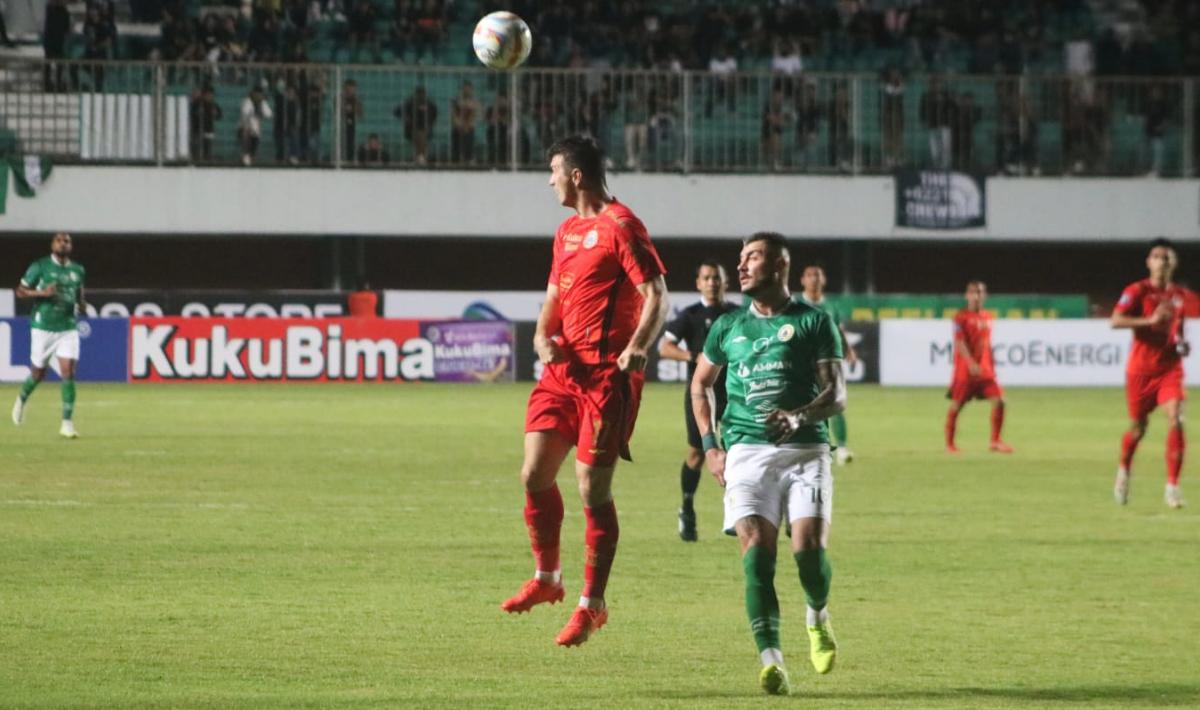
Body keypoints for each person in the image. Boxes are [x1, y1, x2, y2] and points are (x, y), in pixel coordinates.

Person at [500, 135, 668, 648]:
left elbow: (656, 295)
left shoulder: (622, 226)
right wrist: (538, 337)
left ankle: (592, 606)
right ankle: (548, 580)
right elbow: (553, 297)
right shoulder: (566, 231)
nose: (548, 180)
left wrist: (639, 346)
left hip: (606, 378)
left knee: (592, 489)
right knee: (533, 474)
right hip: (562, 373)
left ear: (576, 175)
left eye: (553, 170)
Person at [691, 232, 845, 695]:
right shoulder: (727, 328)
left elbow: (836, 395)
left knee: (809, 554)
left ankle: (817, 614)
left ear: (779, 266)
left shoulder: (814, 322)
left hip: (806, 450)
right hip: (746, 453)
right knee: (757, 553)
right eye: (741, 258)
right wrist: (711, 445)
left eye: (752, 257)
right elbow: (701, 385)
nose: (741, 267)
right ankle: (771, 660)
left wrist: (798, 416)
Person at [658, 260, 739, 541]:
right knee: (696, 454)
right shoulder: (690, 315)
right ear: (698, 283)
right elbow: (665, 347)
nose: (712, 282)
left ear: (725, 282)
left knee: (737, 452)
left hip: (733, 394)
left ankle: (734, 509)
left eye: (717, 277)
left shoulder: (737, 314)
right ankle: (687, 507)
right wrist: (692, 357)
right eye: (707, 278)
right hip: (699, 395)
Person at [1112, 238, 1190, 509]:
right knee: (1138, 428)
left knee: (1177, 418)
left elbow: (1179, 327)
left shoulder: (1179, 295)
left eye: (1166, 257)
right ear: (1149, 262)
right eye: (1157, 256)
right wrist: (1149, 321)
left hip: (1170, 368)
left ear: (1173, 264)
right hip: (1141, 371)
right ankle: (1124, 469)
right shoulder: (1136, 291)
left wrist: (1182, 342)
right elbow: (1116, 320)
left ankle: (1172, 486)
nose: (1161, 261)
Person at [12, 232, 87, 439]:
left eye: (67, 241)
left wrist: (81, 303)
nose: (63, 243)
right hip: (43, 326)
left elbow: (80, 293)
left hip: (67, 327)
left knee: (68, 372)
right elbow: (20, 291)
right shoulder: (40, 266)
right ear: (53, 244)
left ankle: (67, 423)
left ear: (70, 246)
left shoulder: (78, 269)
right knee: (38, 374)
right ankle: (21, 399)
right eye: (59, 240)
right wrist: (41, 294)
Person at [797, 265, 858, 464]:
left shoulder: (831, 306)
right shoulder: (795, 305)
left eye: (817, 275)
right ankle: (810, 446)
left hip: (828, 362)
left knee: (835, 403)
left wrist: (849, 350)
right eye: (810, 275)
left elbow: (838, 330)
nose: (814, 279)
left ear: (823, 280)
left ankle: (841, 448)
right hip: (803, 363)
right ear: (802, 280)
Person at [944, 281, 1012, 454]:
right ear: (967, 295)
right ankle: (950, 445)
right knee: (957, 405)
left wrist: (991, 364)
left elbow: (986, 344)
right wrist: (970, 363)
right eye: (973, 292)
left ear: (985, 295)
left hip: (985, 371)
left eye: (980, 292)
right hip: (965, 371)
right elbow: (960, 343)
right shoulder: (960, 317)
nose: (977, 296)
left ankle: (995, 441)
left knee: (1000, 401)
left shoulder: (988, 317)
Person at [239, 85, 273, 166]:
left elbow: (269, 114)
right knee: (247, 134)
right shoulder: (247, 101)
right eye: (256, 94)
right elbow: (245, 112)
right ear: (253, 93)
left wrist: (261, 108)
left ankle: (251, 157)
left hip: (256, 129)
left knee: (255, 139)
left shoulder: (262, 103)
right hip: (245, 127)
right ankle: (245, 155)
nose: (258, 96)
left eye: (260, 94)